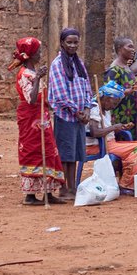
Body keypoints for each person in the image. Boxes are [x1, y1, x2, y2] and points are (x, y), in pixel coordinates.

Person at [10, 37, 65, 205]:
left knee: (48, 150)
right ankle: (31, 196)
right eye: (38, 52)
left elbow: (42, 98)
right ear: (31, 55)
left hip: (42, 118)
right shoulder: (24, 74)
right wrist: (39, 78)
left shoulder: (33, 73)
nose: (41, 54)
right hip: (31, 118)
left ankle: (48, 193)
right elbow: (31, 99)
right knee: (33, 150)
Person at [46, 27, 93, 197]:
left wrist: (87, 108)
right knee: (65, 154)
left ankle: (73, 187)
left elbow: (87, 87)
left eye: (75, 42)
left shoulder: (78, 63)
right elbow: (60, 95)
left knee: (75, 153)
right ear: (62, 43)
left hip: (80, 117)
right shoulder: (57, 64)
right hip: (65, 116)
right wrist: (76, 111)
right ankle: (64, 188)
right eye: (69, 42)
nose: (73, 46)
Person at [87, 81, 137, 191]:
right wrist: (114, 127)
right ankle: (127, 183)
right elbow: (94, 132)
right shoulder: (95, 108)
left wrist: (122, 128)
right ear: (106, 99)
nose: (113, 106)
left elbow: (108, 130)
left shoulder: (106, 110)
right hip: (99, 146)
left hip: (110, 143)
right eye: (113, 103)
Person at [103, 37, 137, 141]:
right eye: (129, 46)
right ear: (120, 49)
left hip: (133, 115)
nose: (133, 50)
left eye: (133, 47)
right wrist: (126, 91)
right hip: (121, 116)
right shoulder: (114, 70)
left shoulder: (126, 67)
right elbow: (108, 94)